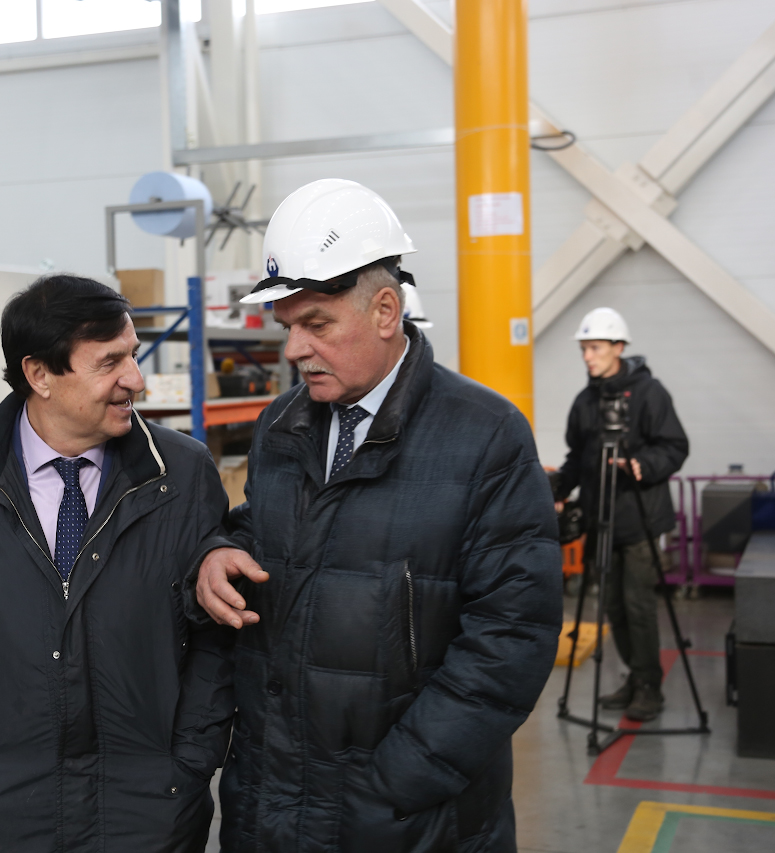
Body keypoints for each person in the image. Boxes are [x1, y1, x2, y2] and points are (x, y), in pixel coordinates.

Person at [191, 179, 563, 852]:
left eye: (316, 325)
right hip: (274, 801)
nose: (294, 350)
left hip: (408, 819)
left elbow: (512, 636)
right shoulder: (281, 424)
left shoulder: (484, 436)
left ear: (386, 310)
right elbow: (270, 529)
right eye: (287, 327)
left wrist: (398, 783)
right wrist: (220, 547)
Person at [0, 275, 234, 853]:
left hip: (149, 809)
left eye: (133, 356)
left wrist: (190, 759)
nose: (136, 380)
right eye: (110, 362)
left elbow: (217, 638)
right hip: (1, 808)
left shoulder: (183, 473)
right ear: (39, 374)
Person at [553, 307, 689, 722]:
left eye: (595, 348)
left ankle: (649, 686)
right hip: (600, 519)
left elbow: (675, 446)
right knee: (612, 605)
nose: (587, 357)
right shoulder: (586, 401)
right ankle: (636, 675)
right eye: (583, 349)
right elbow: (577, 457)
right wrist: (557, 489)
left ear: (618, 347)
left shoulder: (650, 393)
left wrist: (642, 465)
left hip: (640, 519)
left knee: (638, 605)